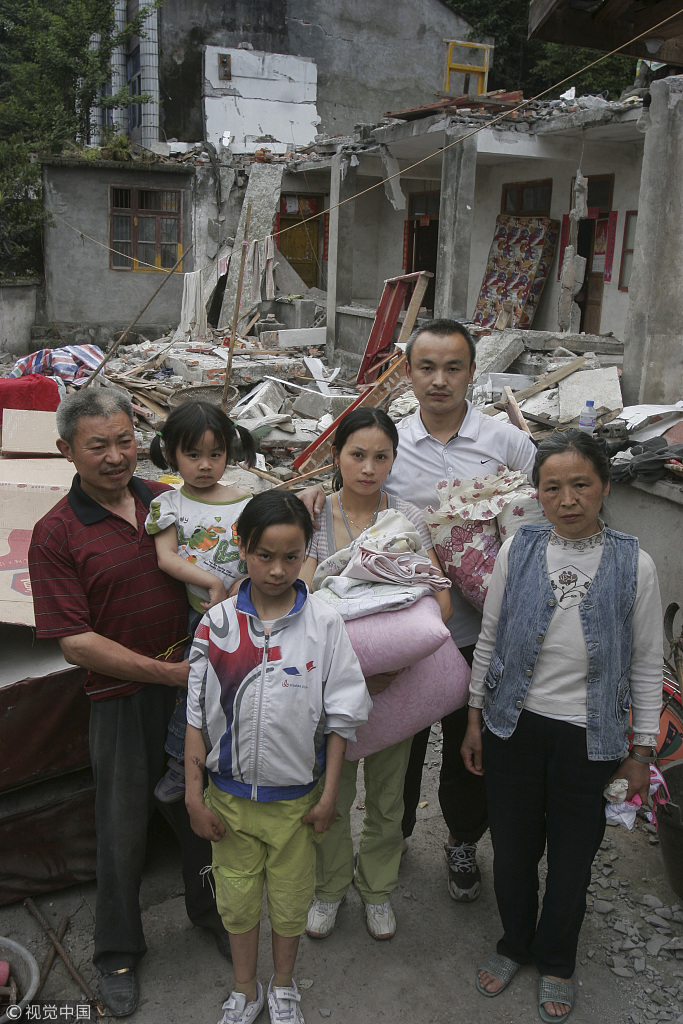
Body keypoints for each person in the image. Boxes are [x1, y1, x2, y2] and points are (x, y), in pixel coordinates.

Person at [301, 318, 536, 902]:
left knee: (467, 743)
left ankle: (461, 840)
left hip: (475, 630)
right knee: (394, 742)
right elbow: (350, 493)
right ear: (407, 373)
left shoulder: (504, 442)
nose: (439, 380)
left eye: (453, 367)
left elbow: (544, 504)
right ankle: (395, 835)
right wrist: (303, 494)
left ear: (472, 373)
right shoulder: (393, 442)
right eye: (426, 367)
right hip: (402, 631)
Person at [28, 389, 229, 1018]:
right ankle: (117, 951)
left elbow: (235, 505)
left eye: (125, 441)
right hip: (123, 698)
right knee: (121, 828)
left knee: (201, 805)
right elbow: (75, 643)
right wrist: (165, 674)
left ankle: (211, 913)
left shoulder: (164, 499)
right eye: (99, 446)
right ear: (67, 451)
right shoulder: (56, 534)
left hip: (192, 691)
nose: (117, 457)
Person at [461, 430, 662, 1023]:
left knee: (573, 858)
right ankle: (515, 943)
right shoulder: (517, 549)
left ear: (603, 486)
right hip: (512, 726)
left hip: (590, 738)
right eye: (553, 487)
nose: (568, 499)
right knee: (515, 850)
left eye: (581, 485)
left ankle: (557, 959)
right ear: (538, 494)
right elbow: (491, 639)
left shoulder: (636, 563)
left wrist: (641, 752)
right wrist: (474, 718)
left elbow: (647, 662)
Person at [185, 490, 371, 1024]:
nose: (278, 569)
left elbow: (341, 716)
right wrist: (195, 799)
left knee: (290, 905)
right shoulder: (215, 626)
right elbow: (197, 716)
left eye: (292, 556)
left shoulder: (325, 625)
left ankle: (284, 985)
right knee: (238, 905)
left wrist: (330, 792)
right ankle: (245, 990)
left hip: (296, 804)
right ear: (242, 548)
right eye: (264, 555)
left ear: (307, 552)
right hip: (228, 803)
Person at [300, 408, 451, 942]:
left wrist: (394, 658)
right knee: (330, 794)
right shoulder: (313, 516)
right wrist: (350, 669)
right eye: (357, 455)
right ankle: (329, 888)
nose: (368, 467)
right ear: (336, 456)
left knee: (389, 797)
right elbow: (299, 600)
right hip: (328, 686)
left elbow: (440, 597)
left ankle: (378, 890)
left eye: (381, 456)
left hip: (394, 684)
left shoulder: (406, 515)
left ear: (394, 460)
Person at [145, 400, 256, 803]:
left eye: (215, 454)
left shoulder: (245, 503)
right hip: (198, 614)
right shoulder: (168, 505)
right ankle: (180, 761)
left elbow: (256, 556)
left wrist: (239, 584)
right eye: (193, 455)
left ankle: (238, 759)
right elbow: (166, 557)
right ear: (172, 454)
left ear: (230, 452)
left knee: (240, 689)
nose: (205, 465)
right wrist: (212, 583)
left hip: (244, 613)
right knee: (195, 689)